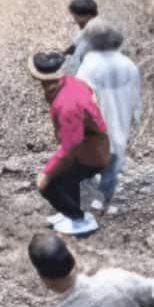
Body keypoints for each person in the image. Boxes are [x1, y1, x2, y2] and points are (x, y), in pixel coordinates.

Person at [29, 51, 110, 237]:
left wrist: (46, 173)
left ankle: (78, 219)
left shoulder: (66, 105)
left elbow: (70, 147)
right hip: (93, 143)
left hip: (90, 152)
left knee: (47, 185)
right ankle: (70, 212)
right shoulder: (71, 82)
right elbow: (90, 93)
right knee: (67, 178)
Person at [74, 23, 141, 217]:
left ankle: (86, 204)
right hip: (119, 119)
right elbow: (135, 97)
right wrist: (136, 115)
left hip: (93, 122)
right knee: (113, 163)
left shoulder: (90, 62)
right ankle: (101, 204)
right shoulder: (128, 64)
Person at [64, 0, 100, 73]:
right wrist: (63, 55)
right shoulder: (87, 27)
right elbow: (75, 44)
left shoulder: (95, 38)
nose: (75, 21)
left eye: (77, 18)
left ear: (89, 16)